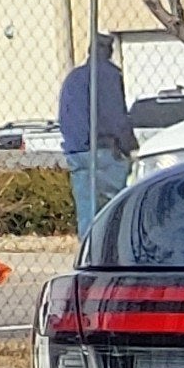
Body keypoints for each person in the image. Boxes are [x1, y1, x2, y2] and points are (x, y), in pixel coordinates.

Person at [58, 37, 132, 228]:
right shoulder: (110, 75)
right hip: (105, 149)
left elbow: (66, 116)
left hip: (77, 150)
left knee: (86, 211)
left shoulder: (73, 77)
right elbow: (116, 115)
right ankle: (111, 250)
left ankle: (89, 250)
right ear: (109, 51)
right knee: (115, 207)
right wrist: (129, 146)